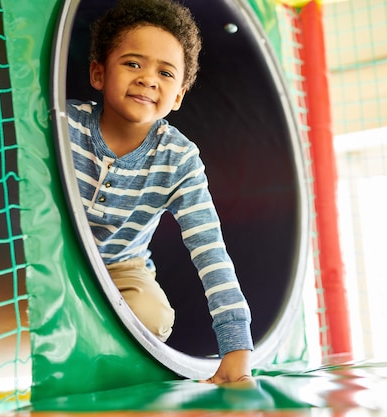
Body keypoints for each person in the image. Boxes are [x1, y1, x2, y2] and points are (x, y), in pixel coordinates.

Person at [66, 0, 253, 384]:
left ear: (179, 96)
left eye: (165, 73)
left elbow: (211, 252)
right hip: (53, 250)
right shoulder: (64, 123)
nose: (148, 79)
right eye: (133, 64)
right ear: (98, 73)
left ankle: (101, 376)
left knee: (153, 314)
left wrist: (236, 349)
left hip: (121, 267)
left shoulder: (178, 159)